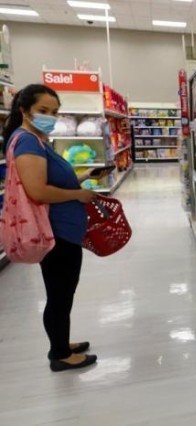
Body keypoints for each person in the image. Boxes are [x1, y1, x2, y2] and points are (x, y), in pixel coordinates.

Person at [2, 84, 109, 371]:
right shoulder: (27, 142)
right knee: (60, 294)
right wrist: (78, 195)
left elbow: (50, 180)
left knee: (62, 292)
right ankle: (60, 355)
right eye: (43, 110)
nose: (50, 117)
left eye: (54, 112)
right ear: (24, 110)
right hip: (56, 233)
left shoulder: (35, 140)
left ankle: (61, 342)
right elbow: (38, 191)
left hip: (60, 231)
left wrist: (83, 176)